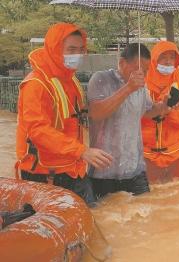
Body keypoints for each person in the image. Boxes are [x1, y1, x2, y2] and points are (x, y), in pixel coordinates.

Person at [16, 23, 112, 206]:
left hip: (73, 169)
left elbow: (77, 117)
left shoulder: (71, 80)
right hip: (45, 175)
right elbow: (38, 131)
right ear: (55, 48)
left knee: (93, 219)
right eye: (71, 49)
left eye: (81, 49)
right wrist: (83, 151)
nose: (77, 54)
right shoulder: (36, 84)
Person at [87, 43, 166, 199]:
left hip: (135, 168)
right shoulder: (100, 79)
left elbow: (148, 111)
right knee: (107, 217)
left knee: (146, 216)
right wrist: (128, 88)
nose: (142, 73)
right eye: (138, 69)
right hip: (104, 171)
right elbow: (95, 114)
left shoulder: (141, 87)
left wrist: (165, 105)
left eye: (145, 70)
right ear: (122, 63)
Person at [142, 41, 179, 184]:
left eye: (172, 57)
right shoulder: (140, 86)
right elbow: (131, 118)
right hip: (146, 155)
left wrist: (169, 112)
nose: (167, 61)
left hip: (176, 154)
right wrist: (156, 109)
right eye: (163, 57)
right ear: (154, 60)